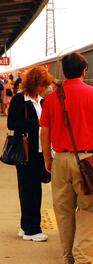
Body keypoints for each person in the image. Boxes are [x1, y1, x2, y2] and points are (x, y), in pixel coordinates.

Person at [40, 52, 93, 264]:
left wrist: (48, 158)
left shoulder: (53, 97)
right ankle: (82, 260)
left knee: (63, 210)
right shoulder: (92, 94)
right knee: (88, 208)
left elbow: (44, 132)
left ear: (64, 72)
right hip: (86, 160)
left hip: (60, 159)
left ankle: (68, 258)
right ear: (85, 70)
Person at [7, 66, 53, 242]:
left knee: (33, 189)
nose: (44, 88)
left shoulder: (41, 101)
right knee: (29, 190)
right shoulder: (20, 99)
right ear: (34, 84)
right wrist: (38, 125)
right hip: (26, 152)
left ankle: (25, 226)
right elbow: (12, 123)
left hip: (39, 151)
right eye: (42, 85)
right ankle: (32, 230)